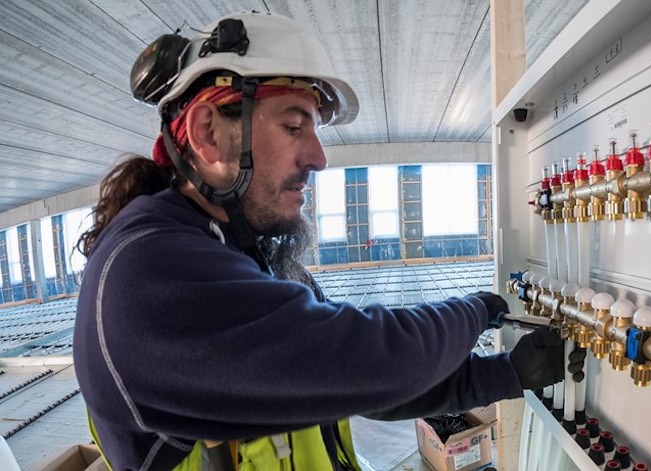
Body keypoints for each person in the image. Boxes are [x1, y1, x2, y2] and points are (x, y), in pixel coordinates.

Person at [73, 11, 568, 471]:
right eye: (293, 125)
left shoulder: (251, 258)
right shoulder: (145, 271)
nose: (318, 158)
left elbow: (361, 387)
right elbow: (371, 359)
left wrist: (504, 374)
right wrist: (474, 310)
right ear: (208, 133)